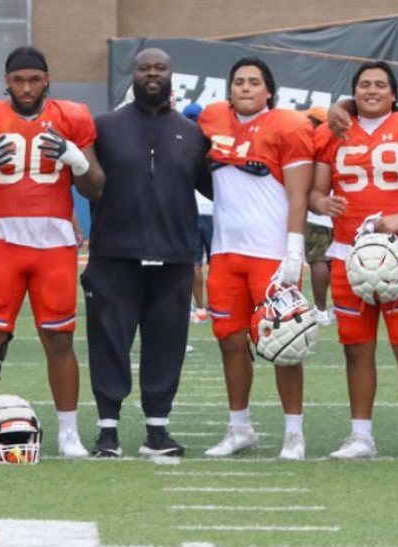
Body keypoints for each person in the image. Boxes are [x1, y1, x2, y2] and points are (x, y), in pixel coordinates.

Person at [0, 46, 105, 459]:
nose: (26, 88)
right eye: (18, 80)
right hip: (3, 242)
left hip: (54, 243)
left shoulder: (72, 116)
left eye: (34, 79)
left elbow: (96, 187)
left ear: (47, 78)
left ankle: (69, 432)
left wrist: (77, 160)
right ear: (6, 81)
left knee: (58, 338)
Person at [310, 61, 398, 461]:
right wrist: (323, 202)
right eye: (365, 85)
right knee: (356, 348)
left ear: (393, 93)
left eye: (380, 85)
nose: (372, 90)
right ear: (354, 93)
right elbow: (317, 192)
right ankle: (361, 435)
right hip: (346, 251)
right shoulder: (331, 130)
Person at [84, 47, 210, 458]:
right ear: (133, 76)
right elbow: (86, 181)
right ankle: (108, 430)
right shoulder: (104, 127)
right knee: (108, 343)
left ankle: (157, 429)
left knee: (167, 343)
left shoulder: (192, 133)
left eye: (160, 67)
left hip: (174, 256)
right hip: (114, 255)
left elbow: (214, 188)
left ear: (171, 74)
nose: (152, 74)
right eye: (144, 68)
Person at [196, 57, 314, 460]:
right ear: (229, 90)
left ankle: (294, 432)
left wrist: (295, 251)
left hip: (271, 253)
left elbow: (299, 194)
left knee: (286, 342)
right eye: (239, 82)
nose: (245, 88)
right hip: (226, 252)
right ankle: (239, 427)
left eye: (253, 82)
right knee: (230, 341)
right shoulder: (212, 119)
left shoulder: (289, 125)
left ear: (268, 91)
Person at [303, 107, 335, 326]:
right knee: (335, 263)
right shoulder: (338, 144)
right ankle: (339, 308)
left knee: (318, 260)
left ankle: (321, 309)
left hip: (319, 215)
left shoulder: (315, 146)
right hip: (338, 214)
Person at [182, 103, 213, 324]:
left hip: (191, 208)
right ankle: (219, 305)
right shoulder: (210, 139)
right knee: (218, 262)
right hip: (213, 208)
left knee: (193, 262)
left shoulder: (181, 139)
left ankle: (199, 308)